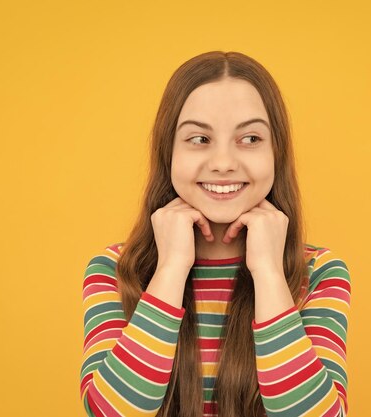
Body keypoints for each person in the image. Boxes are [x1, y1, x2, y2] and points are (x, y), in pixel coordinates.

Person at [80, 51, 351, 417]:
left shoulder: (318, 270)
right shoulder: (115, 268)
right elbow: (111, 412)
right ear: (168, 152)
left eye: (251, 138)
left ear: (277, 152)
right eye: (199, 139)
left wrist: (269, 274)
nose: (223, 163)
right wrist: (172, 267)